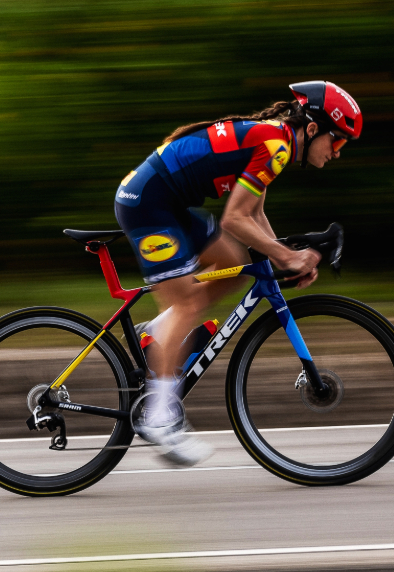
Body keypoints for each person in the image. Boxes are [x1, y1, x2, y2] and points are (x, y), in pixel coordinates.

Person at [114, 80, 362, 465]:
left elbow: (254, 214)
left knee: (235, 267)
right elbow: (234, 218)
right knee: (188, 304)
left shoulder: (276, 141)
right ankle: (159, 418)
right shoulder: (276, 146)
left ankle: (159, 334)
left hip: (169, 204)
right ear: (313, 128)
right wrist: (287, 256)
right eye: (338, 140)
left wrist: (282, 258)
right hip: (149, 205)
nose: (338, 152)